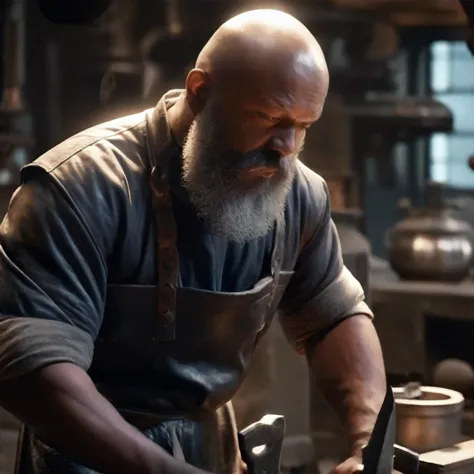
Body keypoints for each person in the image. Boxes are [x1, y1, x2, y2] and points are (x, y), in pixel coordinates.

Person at [0, 9, 386, 474]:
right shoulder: (79, 188)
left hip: (210, 451)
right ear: (201, 92)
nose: (287, 146)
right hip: (83, 454)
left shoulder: (298, 194)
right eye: (269, 116)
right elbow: (35, 369)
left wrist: (368, 441)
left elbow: (333, 317)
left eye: (304, 125)